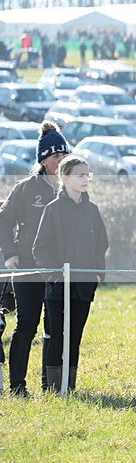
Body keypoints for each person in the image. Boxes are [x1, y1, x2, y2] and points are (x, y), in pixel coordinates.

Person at [0, 121, 69, 396]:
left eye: (65, 155)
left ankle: (52, 386)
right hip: (28, 267)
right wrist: (10, 253)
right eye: (56, 156)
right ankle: (17, 385)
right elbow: (4, 221)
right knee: (27, 324)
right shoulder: (26, 188)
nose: (61, 160)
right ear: (43, 159)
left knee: (55, 327)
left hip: (60, 269)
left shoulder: (72, 188)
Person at [33, 155, 108, 392]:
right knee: (57, 335)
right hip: (58, 288)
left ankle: (70, 385)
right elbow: (40, 247)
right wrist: (53, 275)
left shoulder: (92, 210)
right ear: (65, 178)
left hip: (83, 286)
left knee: (75, 336)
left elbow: (100, 245)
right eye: (80, 175)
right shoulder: (52, 210)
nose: (85, 179)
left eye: (87, 175)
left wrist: (97, 275)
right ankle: (54, 388)